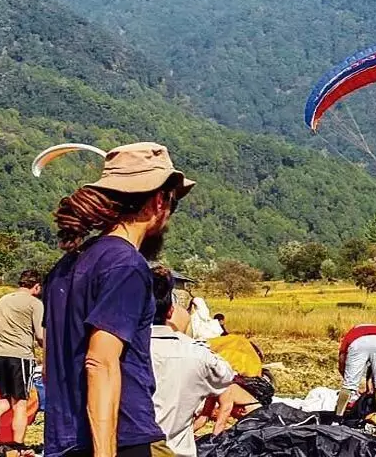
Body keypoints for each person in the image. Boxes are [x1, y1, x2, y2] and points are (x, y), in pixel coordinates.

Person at [42, 142, 194, 457]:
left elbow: (48, 362)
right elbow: (100, 362)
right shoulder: (126, 265)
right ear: (157, 201)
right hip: (118, 439)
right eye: (173, 204)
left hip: (64, 439)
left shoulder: (67, 265)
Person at [148, 266, 235, 457]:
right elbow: (225, 375)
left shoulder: (115, 352)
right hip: (177, 450)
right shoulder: (196, 354)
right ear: (171, 311)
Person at [0, 269, 45, 449]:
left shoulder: (1, 302)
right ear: (36, 286)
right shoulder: (34, 303)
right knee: (20, 403)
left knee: (5, 397)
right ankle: (18, 445)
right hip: (19, 356)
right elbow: (40, 335)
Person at [335, 324, 376, 417]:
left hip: (358, 343)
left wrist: (344, 374)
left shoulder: (352, 333)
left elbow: (342, 358)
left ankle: (337, 418)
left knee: (348, 385)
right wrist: (370, 380)